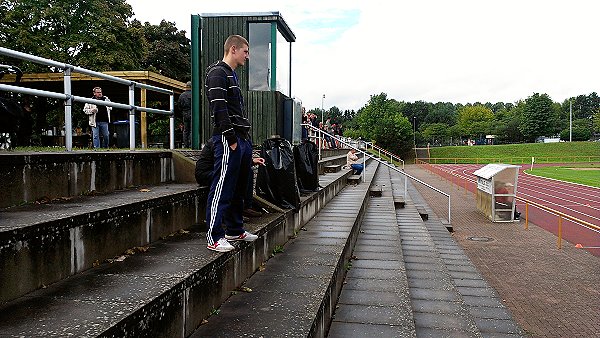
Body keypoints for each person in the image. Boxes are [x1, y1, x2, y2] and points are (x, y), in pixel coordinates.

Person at [204, 34, 257, 252]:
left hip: (241, 139)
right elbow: (219, 108)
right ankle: (214, 236)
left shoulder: (231, 75)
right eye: (245, 51)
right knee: (222, 186)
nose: (247, 56)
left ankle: (234, 230)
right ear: (233, 49)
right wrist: (231, 138)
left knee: (238, 187)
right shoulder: (218, 72)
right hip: (229, 138)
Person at [194, 138, 265, 218]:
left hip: (216, 171)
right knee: (233, 176)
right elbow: (225, 163)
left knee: (248, 171)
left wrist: (251, 162)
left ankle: (246, 207)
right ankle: (231, 213)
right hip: (205, 173)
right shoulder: (219, 142)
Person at [178, 81, 192, 148]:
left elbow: (179, 106)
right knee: (192, 129)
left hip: (185, 113)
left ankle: (186, 145)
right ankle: (192, 144)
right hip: (193, 113)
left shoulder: (182, 95)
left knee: (186, 130)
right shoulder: (194, 94)